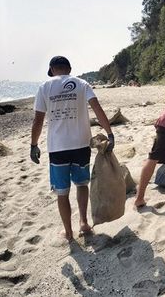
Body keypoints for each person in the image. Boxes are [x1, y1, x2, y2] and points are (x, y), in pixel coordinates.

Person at [30, 56, 114, 241]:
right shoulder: (82, 83)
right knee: (82, 184)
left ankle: (68, 232)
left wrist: (33, 144)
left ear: (52, 69)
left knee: (62, 191)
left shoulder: (44, 86)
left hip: (58, 147)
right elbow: (97, 108)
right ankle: (83, 223)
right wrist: (109, 133)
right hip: (81, 144)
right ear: (69, 68)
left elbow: (38, 120)